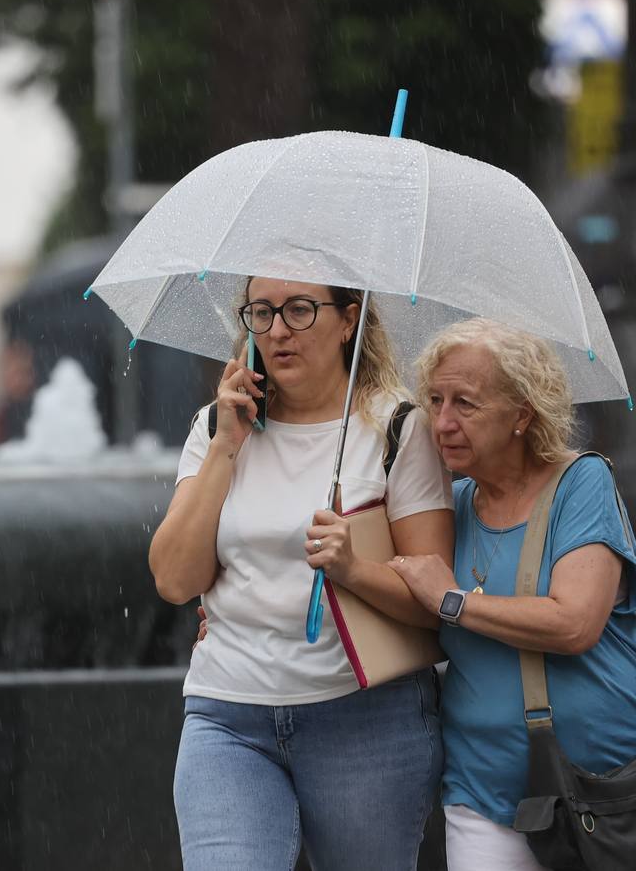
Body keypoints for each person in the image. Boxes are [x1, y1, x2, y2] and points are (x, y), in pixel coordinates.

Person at [150, 275, 454, 870]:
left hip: (364, 721)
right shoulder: (217, 426)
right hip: (227, 716)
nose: (278, 330)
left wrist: (354, 568)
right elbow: (174, 580)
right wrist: (225, 448)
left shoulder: (397, 429)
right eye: (260, 313)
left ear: (349, 321)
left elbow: (435, 602)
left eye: (299, 309)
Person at [389, 318, 636, 871]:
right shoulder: (445, 506)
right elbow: (386, 587)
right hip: (482, 794)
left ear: (522, 415)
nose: (441, 422)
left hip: (604, 796)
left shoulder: (582, 483)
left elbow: (575, 624)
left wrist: (454, 601)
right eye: (434, 400)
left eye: (465, 403)